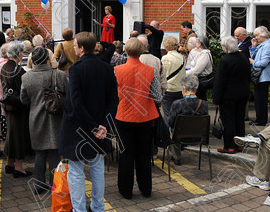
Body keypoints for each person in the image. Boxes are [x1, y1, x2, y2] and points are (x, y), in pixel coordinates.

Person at [59, 32, 118, 212]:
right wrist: (103, 125)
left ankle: (79, 209)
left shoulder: (77, 69)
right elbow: (114, 100)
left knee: (76, 170)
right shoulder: (107, 67)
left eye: (75, 45)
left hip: (79, 127)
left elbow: (75, 102)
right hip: (99, 125)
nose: (74, 48)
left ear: (82, 48)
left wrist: (95, 126)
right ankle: (98, 207)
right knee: (97, 168)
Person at [114, 38, 161, 199]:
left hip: (124, 116)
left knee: (126, 154)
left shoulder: (117, 70)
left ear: (126, 51)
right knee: (144, 154)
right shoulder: (149, 70)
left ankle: (126, 190)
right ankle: (146, 188)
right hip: (145, 117)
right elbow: (157, 95)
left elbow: (114, 95)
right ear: (142, 51)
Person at [20, 47, 68, 194]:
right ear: (48, 59)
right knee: (54, 153)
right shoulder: (58, 75)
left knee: (40, 153)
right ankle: (55, 185)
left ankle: (39, 185)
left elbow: (23, 99)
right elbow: (68, 92)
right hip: (55, 119)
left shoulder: (26, 77)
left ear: (33, 61)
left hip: (35, 118)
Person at [213, 36, 250, 153]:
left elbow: (220, 82)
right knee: (239, 119)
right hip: (243, 94)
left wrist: (216, 99)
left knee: (228, 121)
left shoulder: (224, 61)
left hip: (228, 96)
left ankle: (229, 146)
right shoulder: (244, 58)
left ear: (225, 48)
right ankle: (240, 144)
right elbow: (248, 77)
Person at [1, 41, 33, 177]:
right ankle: (18, 167)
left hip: (7, 105)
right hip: (18, 106)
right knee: (19, 136)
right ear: (18, 53)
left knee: (10, 134)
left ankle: (9, 163)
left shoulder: (4, 67)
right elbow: (23, 91)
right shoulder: (18, 70)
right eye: (22, 52)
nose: (23, 55)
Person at [166, 76, 209, 165]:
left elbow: (170, 122)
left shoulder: (177, 103)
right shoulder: (204, 104)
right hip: (199, 137)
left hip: (179, 137)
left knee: (170, 129)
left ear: (184, 88)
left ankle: (177, 156)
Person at [249, 26, 270, 126]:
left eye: (257, 35)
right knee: (258, 99)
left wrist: (253, 62)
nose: (256, 37)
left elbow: (263, 62)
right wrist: (254, 46)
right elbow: (254, 56)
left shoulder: (268, 46)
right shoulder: (263, 45)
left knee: (261, 100)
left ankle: (261, 120)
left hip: (264, 76)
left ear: (263, 34)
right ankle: (259, 119)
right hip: (261, 76)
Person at [161, 36, 186, 118]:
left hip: (168, 89)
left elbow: (162, 74)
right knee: (178, 114)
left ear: (166, 46)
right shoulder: (182, 57)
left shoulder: (165, 58)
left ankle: (168, 130)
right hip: (180, 89)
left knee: (168, 115)